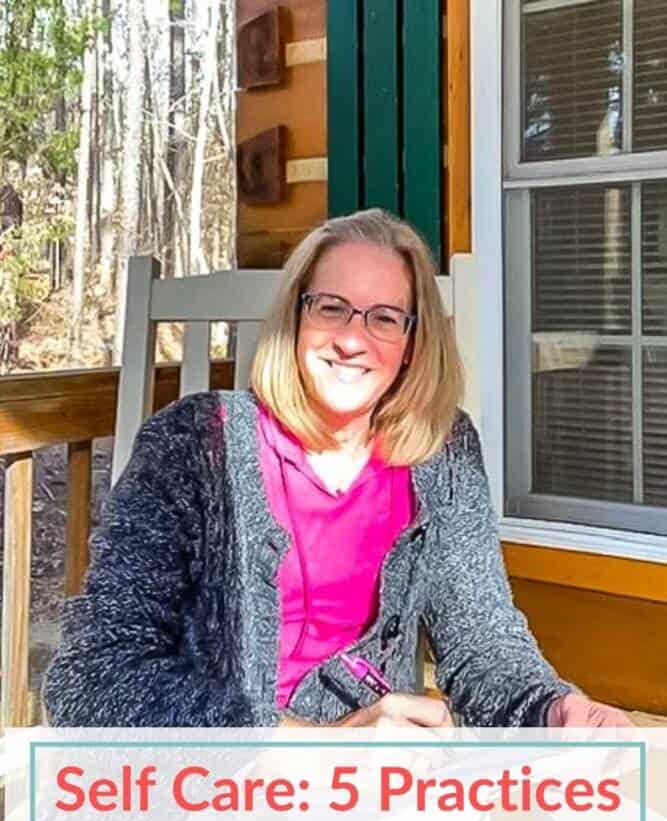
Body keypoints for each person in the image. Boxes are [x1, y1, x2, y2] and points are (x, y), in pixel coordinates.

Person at [42, 209, 630, 729]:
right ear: (296, 318)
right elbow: (91, 677)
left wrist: (555, 708)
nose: (352, 339)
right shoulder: (194, 444)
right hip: (204, 788)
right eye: (332, 309)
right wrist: (304, 744)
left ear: (412, 344)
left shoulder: (443, 453)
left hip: (376, 792)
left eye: (384, 318)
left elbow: (484, 647)